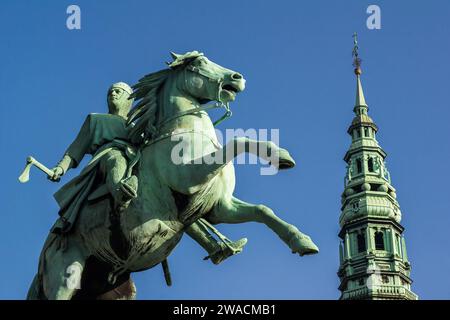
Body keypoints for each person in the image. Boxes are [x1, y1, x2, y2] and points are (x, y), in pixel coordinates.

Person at [49, 82, 246, 264]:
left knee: (175, 201)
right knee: (115, 158)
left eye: (118, 91)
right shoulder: (96, 120)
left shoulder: (136, 125)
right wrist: (60, 167)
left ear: (130, 99)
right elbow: (75, 149)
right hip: (108, 156)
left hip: (138, 161)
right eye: (110, 92)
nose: (113, 94)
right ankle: (121, 192)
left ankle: (214, 246)